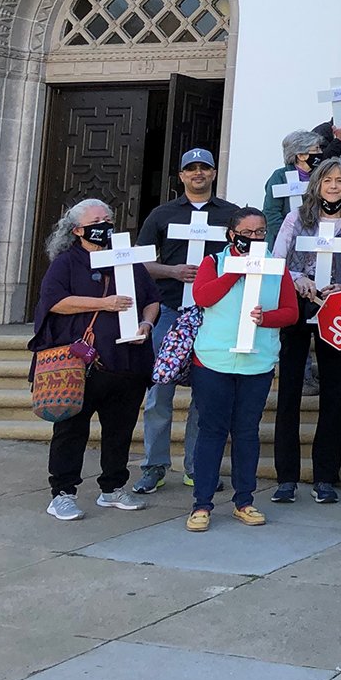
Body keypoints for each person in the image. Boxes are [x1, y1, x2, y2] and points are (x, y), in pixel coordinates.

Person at [31, 199, 159, 520]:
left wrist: (146, 323)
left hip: (127, 361)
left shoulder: (126, 258)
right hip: (82, 366)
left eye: (108, 218)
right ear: (77, 230)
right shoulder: (67, 262)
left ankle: (112, 488)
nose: (105, 223)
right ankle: (62, 493)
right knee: (71, 430)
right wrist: (104, 303)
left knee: (120, 429)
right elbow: (55, 302)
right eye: (96, 220)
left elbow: (152, 300)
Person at [184, 207, 300, 531]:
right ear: (231, 234)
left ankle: (244, 501)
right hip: (214, 361)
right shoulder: (214, 263)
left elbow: (290, 312)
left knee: (247, 432)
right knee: (212, 431)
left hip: (257, 363)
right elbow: (203, 296)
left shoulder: (277, 268)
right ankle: (202, 504)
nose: (254, 238)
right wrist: (237, 270)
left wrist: (268, 318)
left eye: (260, 232)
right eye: (246, 232)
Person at [130, 147, 237, 495]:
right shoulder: (162, 215)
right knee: (160, 393)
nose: (198, 174)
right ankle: (154, 466)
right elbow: (141, 263)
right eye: (190, 169)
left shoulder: (230, 215)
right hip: (170, 313)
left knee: (205, 395)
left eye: (204, 168)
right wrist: (173, 271)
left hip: (214, 314)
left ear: (213, 173)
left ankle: (196, 466)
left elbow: (243, 258)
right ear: (181, 176)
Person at [269, 158, 341, 505]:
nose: (332, 186)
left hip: (335, 309)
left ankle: (326, 476)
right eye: (327, 179)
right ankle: (286, 477)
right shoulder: (295, 218)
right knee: (290, 393)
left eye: (340, 181)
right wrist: (300, 280)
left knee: (332, 392)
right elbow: (278, 260)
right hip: (298, 306)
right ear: (316, 183)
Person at [260, 130, 325, 236]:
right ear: (301, 156)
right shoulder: (279, 176)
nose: (320, 152)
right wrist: (287, 237)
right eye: (316, 149)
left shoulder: (321, 176)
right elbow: (271, 213)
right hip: (284, 238)